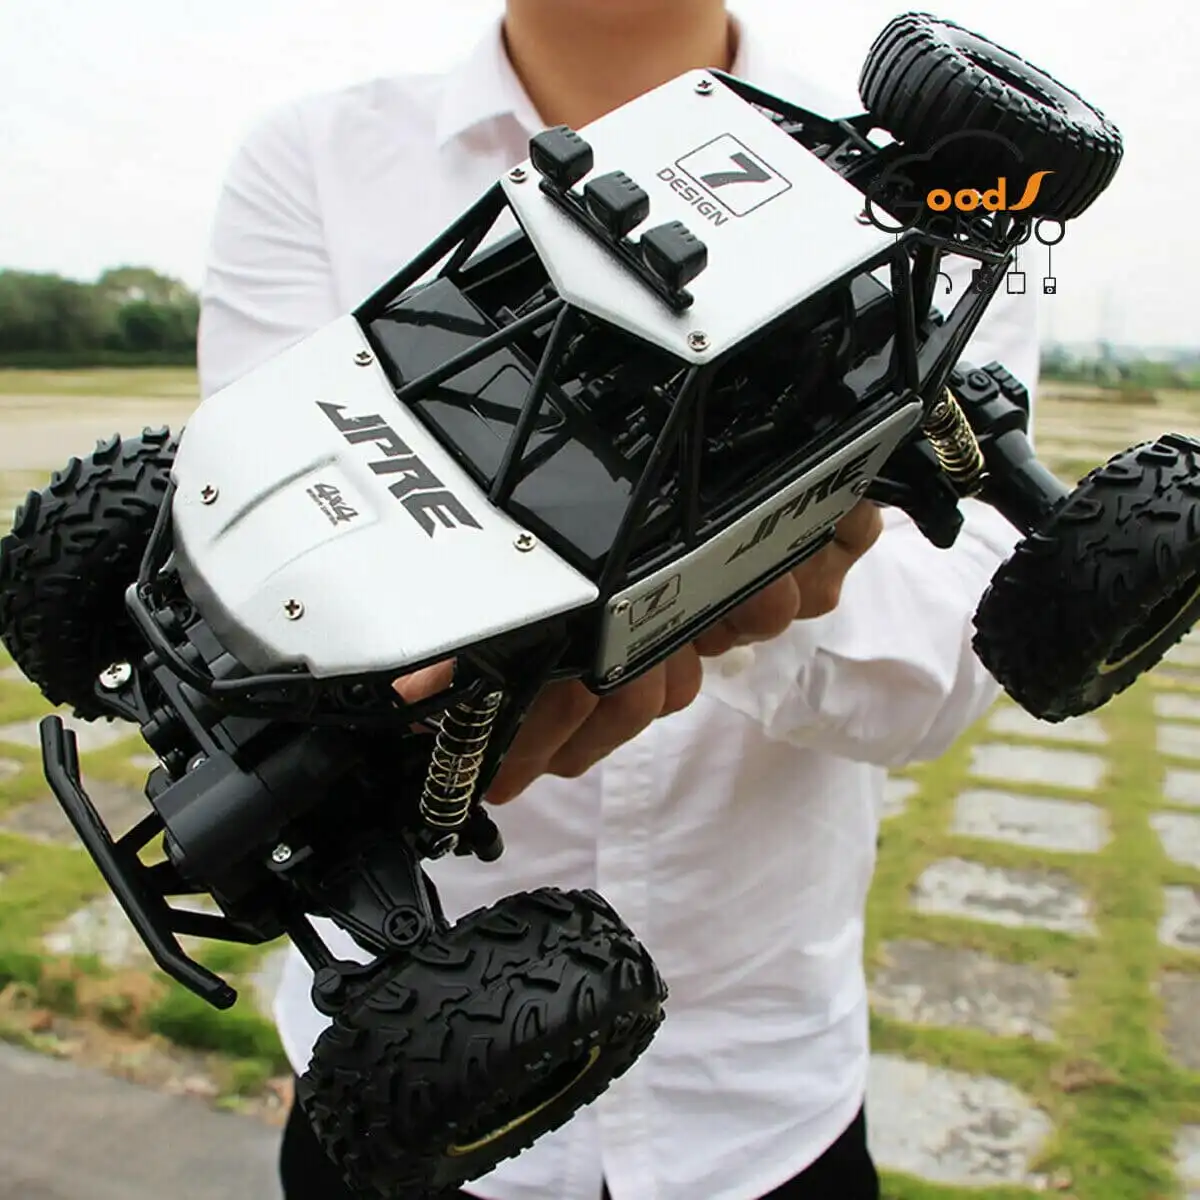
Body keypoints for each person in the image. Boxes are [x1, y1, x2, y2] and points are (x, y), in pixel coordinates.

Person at [197, 2, 1040, 1197]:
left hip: (759, 1100)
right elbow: (260, 540)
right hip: (421, 1075)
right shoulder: (318, 156)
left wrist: (729, 585)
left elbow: (940, 673)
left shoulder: (946, 198)